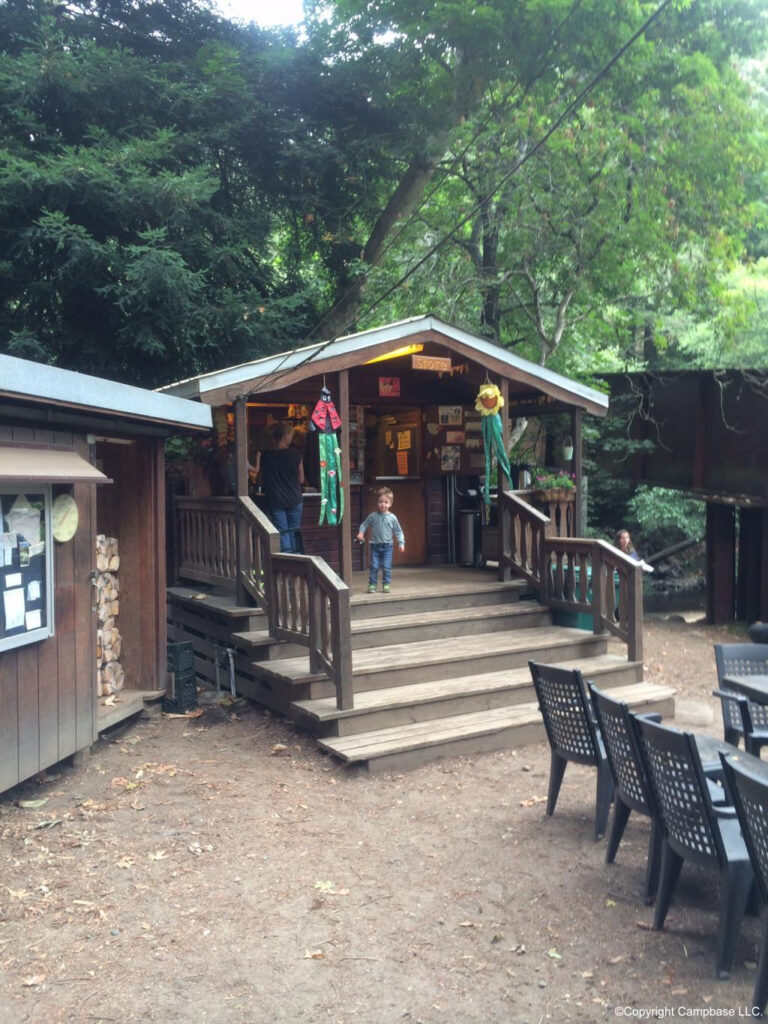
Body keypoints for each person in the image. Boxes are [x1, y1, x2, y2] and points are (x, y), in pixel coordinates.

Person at [255, 423, 305, 552]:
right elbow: (301, 479)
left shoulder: (266, 455)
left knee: (283, 532)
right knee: (295, 531)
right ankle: (297, 562)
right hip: (294, 498)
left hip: (276, 500)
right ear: (286, 436)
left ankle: (287, 562)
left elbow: (261, 478)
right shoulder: (295, 454)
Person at [356, 487, 405, 594]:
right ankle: (372, 584)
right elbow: (364, 524)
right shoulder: (373, 516)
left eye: (386, 502)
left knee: (386, 566)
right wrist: (361, 533)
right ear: (377, 503)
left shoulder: (392, 518)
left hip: (388, 546)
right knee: (374, 566)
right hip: (375, 546)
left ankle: (386, 584)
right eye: (380, 502)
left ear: (390, 504)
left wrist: (401, 543)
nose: (383, 504)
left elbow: (398, 531)